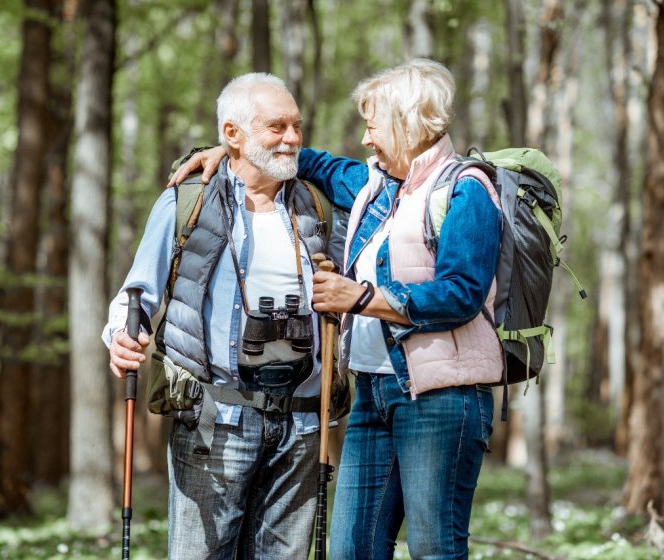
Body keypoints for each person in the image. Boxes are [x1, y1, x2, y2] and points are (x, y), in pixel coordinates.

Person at [170, 58, 504, 559]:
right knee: (352, 549)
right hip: (373, 392)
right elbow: (301, 159)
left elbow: (461, 294)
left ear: (406, 123)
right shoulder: (374, 187)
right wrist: (230, 147)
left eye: (373, 125)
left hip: (441, 399)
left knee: (435, 548)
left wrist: (362, 298)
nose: (367, 139)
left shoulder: (465, 190)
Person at [103, 72, 338, 560]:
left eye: (297, 126)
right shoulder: (186, 201)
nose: (293, 138)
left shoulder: (316, 205)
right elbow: (137, 293)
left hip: (300, 426)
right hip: (217, 419)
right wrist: (120, 337)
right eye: (277, 127)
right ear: (232, 134)